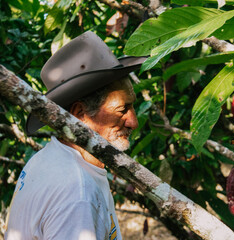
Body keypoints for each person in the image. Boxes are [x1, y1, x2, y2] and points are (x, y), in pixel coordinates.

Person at [4, 31, 146, 240]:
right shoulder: (78, 193)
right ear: (80, 114)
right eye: (122, 109)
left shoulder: (47, 159)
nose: (133, 121)